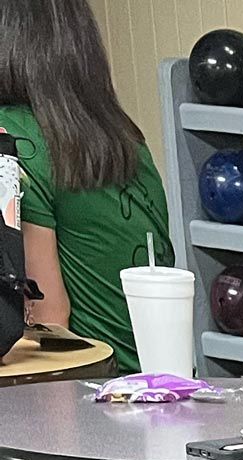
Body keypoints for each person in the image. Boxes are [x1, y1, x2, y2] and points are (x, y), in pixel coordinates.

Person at [0, 0, 173, 372]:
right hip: (158, 379)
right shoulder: (121, 133)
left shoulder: (11, 138)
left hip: (91, 391)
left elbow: (48, 318)